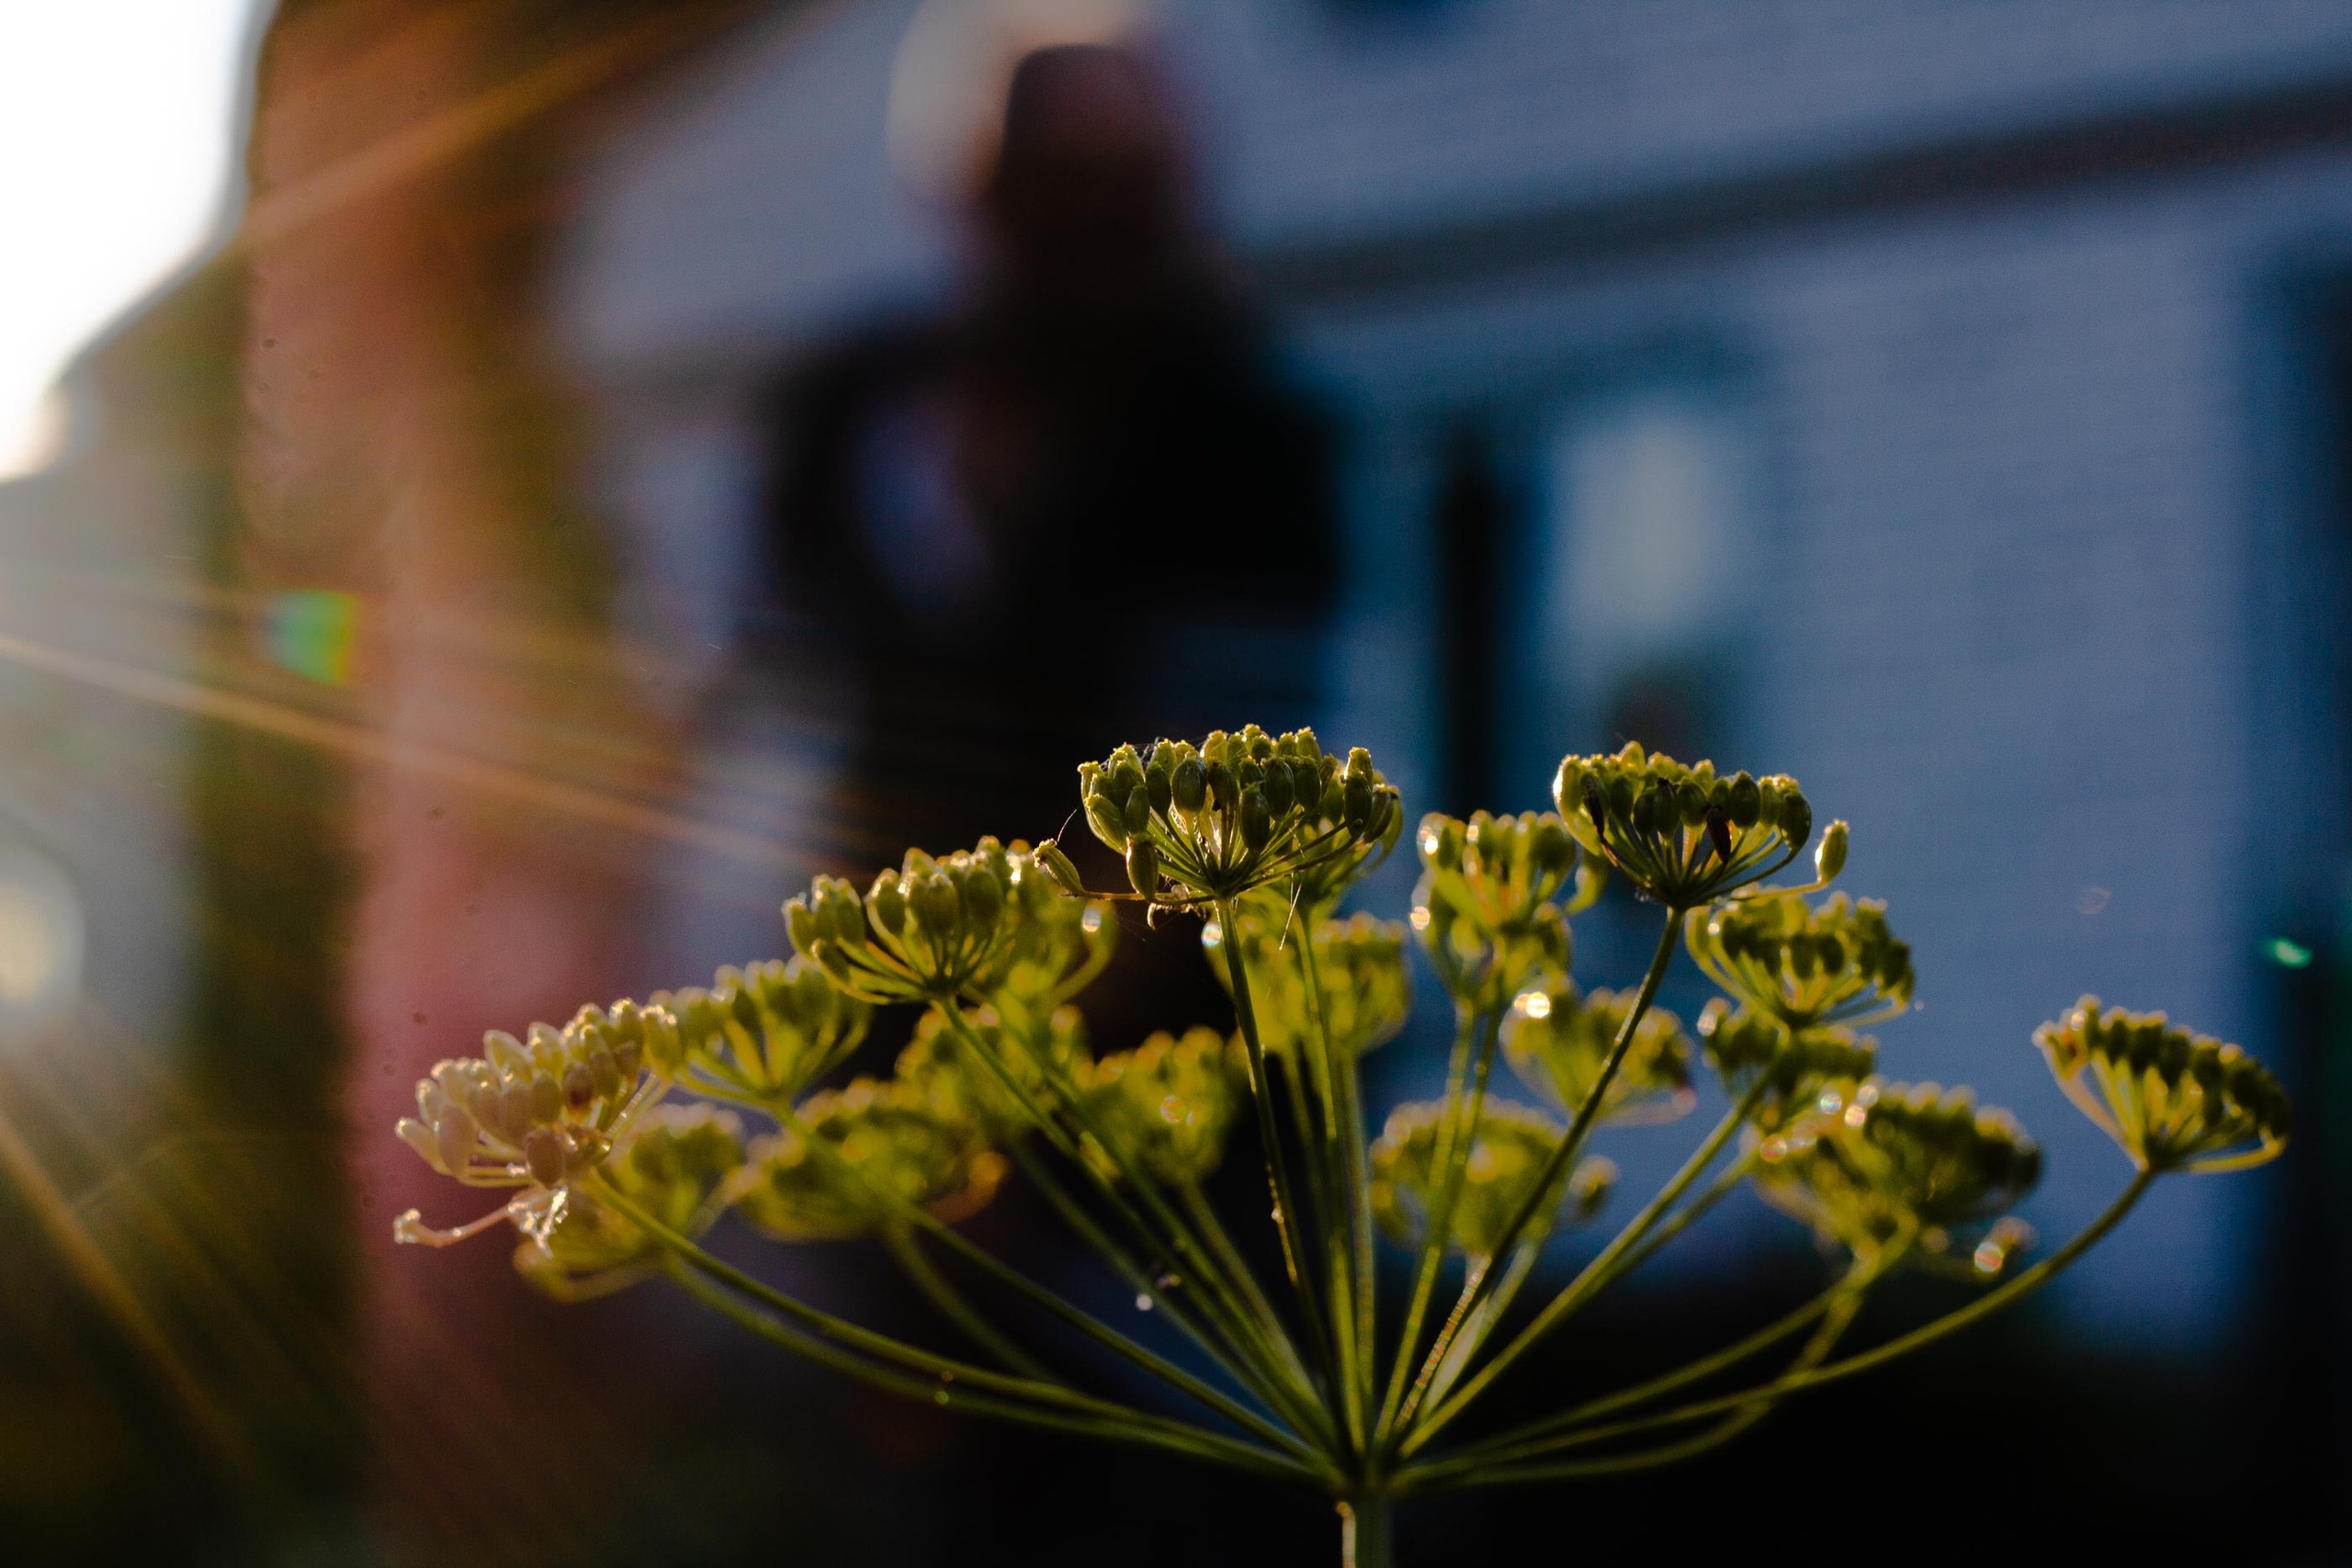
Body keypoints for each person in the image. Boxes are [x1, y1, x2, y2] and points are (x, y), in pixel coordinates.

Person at [754, 40, 1339, 868]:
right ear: (981, 190)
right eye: (1059, 188)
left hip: (1148, 943)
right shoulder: (849, 406)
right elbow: (766, 679)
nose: (1094, 238)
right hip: (895, 928)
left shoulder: (1243, 439)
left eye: (1130, 196)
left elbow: (1240, 739)